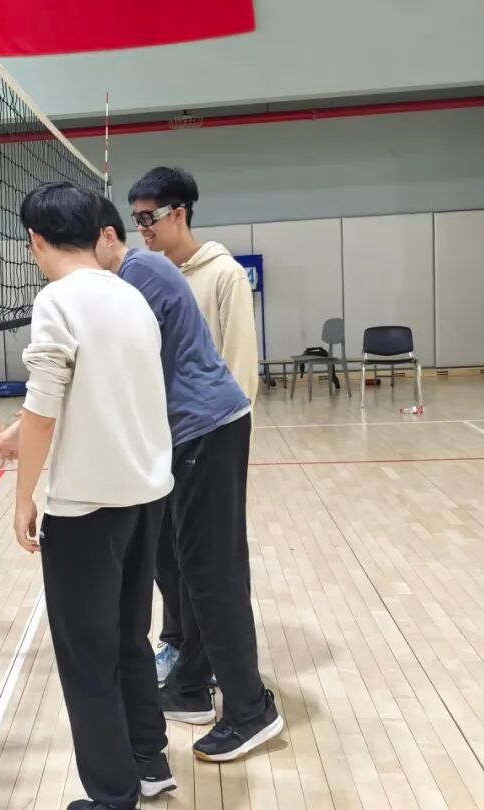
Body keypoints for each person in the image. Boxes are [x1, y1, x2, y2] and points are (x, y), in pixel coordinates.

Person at [0, 181, 176, 809]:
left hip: (87, 511)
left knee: (86, 658)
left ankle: (111, 795)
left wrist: (23, 496)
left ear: (36, 240)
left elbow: (45, 407)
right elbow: (97, 391)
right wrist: (23, 430)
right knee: (130, 639)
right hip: (146, 497)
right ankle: (149, 764)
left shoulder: (57, 300)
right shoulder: (130, 294)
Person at [96, 196, 283, 763]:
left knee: (210, 572)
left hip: (208, 429)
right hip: (188, 435)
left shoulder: (140, 274)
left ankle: (251, 710)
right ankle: (190, 684)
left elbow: (118, 372)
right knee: (183, 564)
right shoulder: (135, 274)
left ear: (106, 237)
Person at [127, 167, 260, 683]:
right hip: (163, 438)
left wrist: (225, 442)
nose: (142, 228)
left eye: (150, 217)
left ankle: (214, 662)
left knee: (213, 556)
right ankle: (179, 641)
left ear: (179, 213)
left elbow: (239, 367)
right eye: (136, 219)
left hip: (208, 434)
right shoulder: (149, 274)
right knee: (167, 551)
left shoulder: (223, 274)